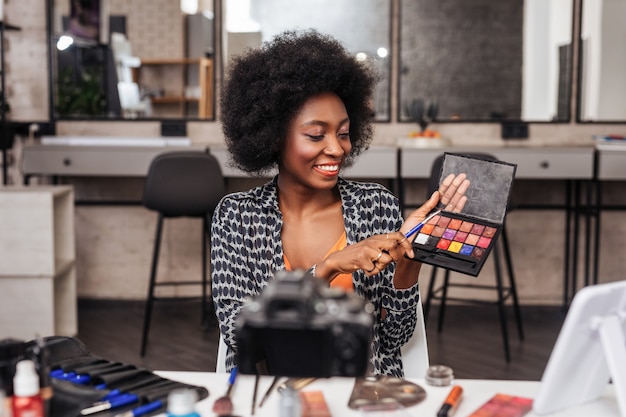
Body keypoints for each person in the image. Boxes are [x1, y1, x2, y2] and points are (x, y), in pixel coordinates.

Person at [211, 30, 469, 377]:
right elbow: (239, 337)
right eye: (316, 135)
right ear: (272, 137)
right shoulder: (237, 217)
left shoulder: (376, 206)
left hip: (363, 395)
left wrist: (411, 258)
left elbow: (395, 339)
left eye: (343, 133)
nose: (337, 148)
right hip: (270, 397)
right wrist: (328, 269)